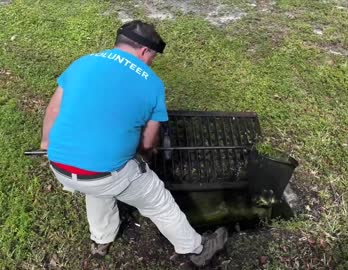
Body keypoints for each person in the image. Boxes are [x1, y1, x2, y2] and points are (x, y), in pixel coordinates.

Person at [40, 20, 227, 266]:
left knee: (96, 188)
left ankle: (101, 239)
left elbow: (53, 108)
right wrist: (146, 158)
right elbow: (148, 141)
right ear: (143, 51)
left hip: (60, 166)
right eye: (153, 57)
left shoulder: (81, 63)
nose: (151, 63)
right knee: (158, 201)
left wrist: (45, 142)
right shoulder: (152, 83)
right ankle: (197, 248)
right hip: (107, 174)